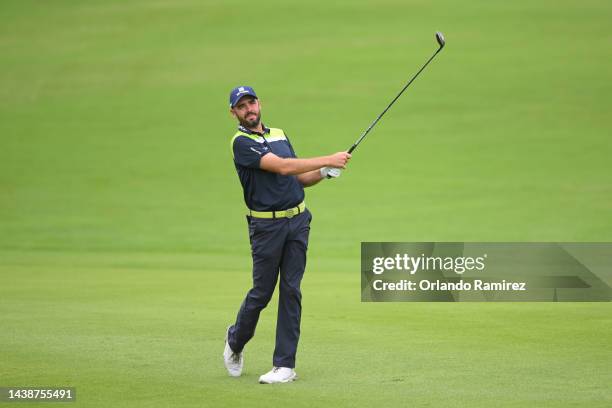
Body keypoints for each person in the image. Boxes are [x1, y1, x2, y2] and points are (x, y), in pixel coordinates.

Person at [223, 85, 351, 384]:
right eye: (242, 106)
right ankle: (236, 341)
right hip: (266, 227)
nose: (249, 109)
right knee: (262, 293)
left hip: (298, 221)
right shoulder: (241, 143)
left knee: (291, 290)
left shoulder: (279, 134)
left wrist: (321, 173)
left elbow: (298, 177)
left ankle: (285, 365)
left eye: (252, 102)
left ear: (259, 103)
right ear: (234, 113)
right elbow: (281, 167)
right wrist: (327, 159)